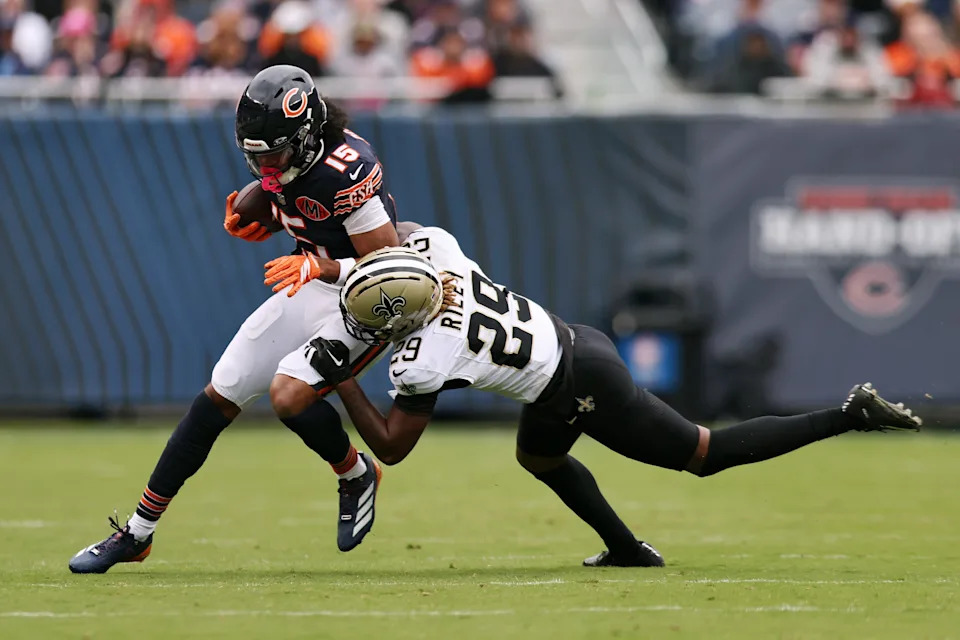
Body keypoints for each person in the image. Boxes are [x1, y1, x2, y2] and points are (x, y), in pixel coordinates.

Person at [306, 224, 922, 567]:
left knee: (705, 454)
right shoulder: (436, 250)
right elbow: (396, 237)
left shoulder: (422, 355)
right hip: (573, 347)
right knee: (538, 458)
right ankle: (626, 550)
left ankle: (847, 416)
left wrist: (342, 379)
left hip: (579, 385)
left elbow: (391, 447)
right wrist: (341, 266)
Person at [69, 65, 399, 574]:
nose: (266, 166)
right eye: (257, 154)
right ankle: (138, 533)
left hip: (364, 297)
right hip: (311, 281)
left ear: (307, 136)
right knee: (218, 394)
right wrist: (264, 219)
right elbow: (288, 198)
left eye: (276, 154)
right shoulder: (286, 158)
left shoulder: (345, 168)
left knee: (289, 396)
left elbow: (390, 268)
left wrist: (320, 262)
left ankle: (355, 473)